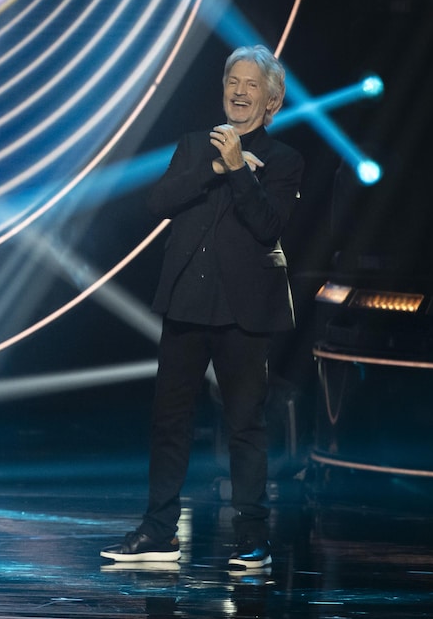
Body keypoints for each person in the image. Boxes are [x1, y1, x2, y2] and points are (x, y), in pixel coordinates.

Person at [101, 45, 302, 568]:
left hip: (244, 311)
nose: (238, 91)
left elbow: (267, 226)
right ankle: (159, 531)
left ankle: (252, 537)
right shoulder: (194, 147)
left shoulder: (284, 161)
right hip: (187, 300)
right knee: (169, 421)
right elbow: (159, 203)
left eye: (251, 84)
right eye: (232, 81)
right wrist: (218, 165)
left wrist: (240, 171)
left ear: (272, 99)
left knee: (244, 425)